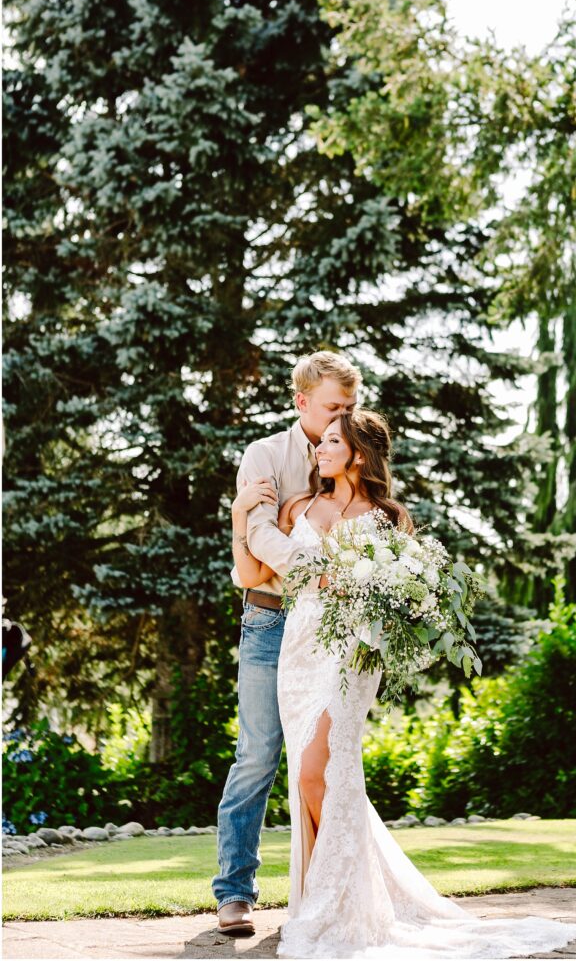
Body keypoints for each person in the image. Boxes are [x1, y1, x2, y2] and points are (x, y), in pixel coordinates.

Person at [232, 408, 576, 959]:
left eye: (330, 442)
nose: (319, 449)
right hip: (298, 652)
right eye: (320, 442)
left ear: (356, 454)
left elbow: (402, 600)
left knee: (315, 773)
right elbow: (255, 574)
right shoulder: (297, 506)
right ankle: (344, 894)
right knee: (318, 778)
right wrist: (240, 520)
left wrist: (367, 593)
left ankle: (334, 895)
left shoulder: (388, 516)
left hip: (350, 654)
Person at [212, 350, 361, 936]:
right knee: (258, 754)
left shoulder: (355, 453)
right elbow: (256, 536)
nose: (340, 418)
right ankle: (234, 893)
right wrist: (313, 571)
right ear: (302, 402)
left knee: (322, 762)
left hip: (331, 630)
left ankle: (323, 893)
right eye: (332, 406)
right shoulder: (265, 455)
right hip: (271, 619)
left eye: (350, 406)